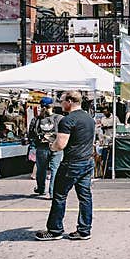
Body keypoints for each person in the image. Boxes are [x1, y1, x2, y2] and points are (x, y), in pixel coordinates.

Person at [36, 91, 96, 241]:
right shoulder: (89, 118)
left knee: (59, 195)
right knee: (85, 196)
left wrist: (52, 146)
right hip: (87, 161)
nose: (60, 103)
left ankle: (55, 230)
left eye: (61, 100)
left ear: (69, 101)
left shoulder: (67, 120)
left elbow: (61, 144)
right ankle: (84, 230)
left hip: (72, 163)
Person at [27, 97, 63, 198]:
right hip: (56, 146)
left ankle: (41, 188)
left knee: (41, 169)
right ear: (52, 106)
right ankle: (52, 192)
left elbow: (31, 134)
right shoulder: (59, 118)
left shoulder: (36, 119)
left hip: (42, 147)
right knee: (55, 169)